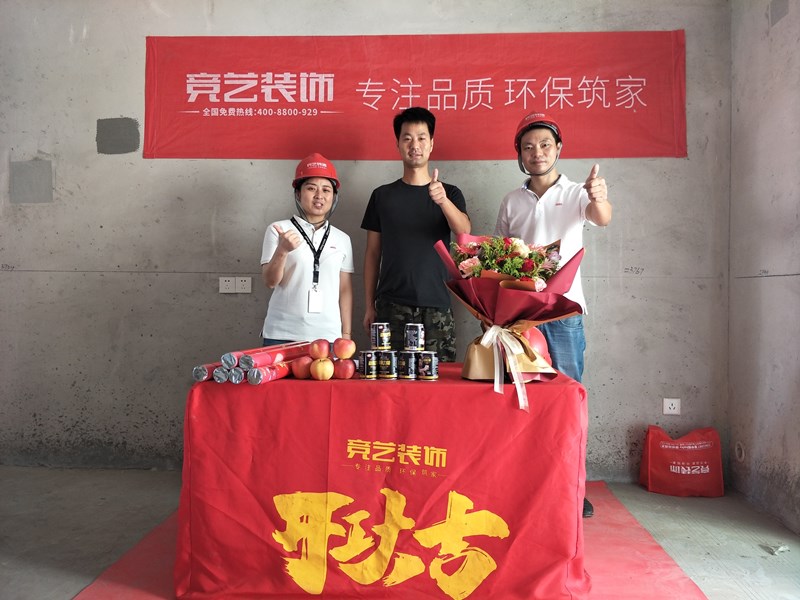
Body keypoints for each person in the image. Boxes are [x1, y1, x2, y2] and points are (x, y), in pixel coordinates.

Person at [494, 111, 612, 518]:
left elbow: (602, 217)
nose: (537, 152)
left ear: (558, 149)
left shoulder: (578, 192)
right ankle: (525, 484)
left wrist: (599, 197)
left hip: (564, 313)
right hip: (521, 317)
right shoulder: (511, 201)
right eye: (528, 147)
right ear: (519, 154)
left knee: (566, 400)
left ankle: (572, 486)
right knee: (520, 399)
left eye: (545, 144)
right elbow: (500, 259)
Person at [361, 107, 471, 361]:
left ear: (431, 144)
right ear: (398, 144)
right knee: (391, 378)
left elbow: (464, 232)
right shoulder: (382, 196)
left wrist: (442, 201)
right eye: (407, 138)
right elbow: (372, 254)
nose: (415, 145)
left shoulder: (450, 193)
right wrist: (369, 305)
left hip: (437, 305)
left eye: (422, 138)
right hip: (390, 306)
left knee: (439, 379)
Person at [260, 153, 354, 346]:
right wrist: (282, 250)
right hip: (281, 332)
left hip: (328, 335)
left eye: (326, 190)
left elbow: (344, 289)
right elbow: (270, 282)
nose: (319, 195)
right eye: (311, 188)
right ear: (298, 194)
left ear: (334, 197)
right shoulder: (279, 229)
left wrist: (345, 334)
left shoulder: (342, 239)